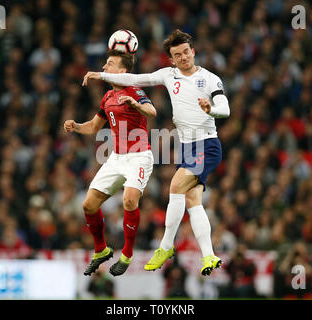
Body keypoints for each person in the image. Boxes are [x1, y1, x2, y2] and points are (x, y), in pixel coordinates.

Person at [82, 29, 230, 276]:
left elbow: (224, 107)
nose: (183, 57)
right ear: (171, 59)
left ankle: (165, 246)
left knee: (175, 187)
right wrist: (101, 74)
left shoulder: (210, 79)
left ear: (193, 52)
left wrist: (211, 109)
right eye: (177, 55)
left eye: (186, 52)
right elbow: (135, 80)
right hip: (187, 147)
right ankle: (209, 255)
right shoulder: (167, 75)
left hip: (206, 144)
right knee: (193, 200)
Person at [64, 49, 156, 276]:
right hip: (116, 157)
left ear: (123, 71)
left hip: (139, 155)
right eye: (105, 64)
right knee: (88, 205)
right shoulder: (107, 97)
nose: (105, 68)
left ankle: (127, 253)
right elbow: (94, 127)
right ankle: (101, 249)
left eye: (110, 64)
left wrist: (135, 104)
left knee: (129, 200)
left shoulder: (134, 90)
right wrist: (75, 126)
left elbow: (152, 110)